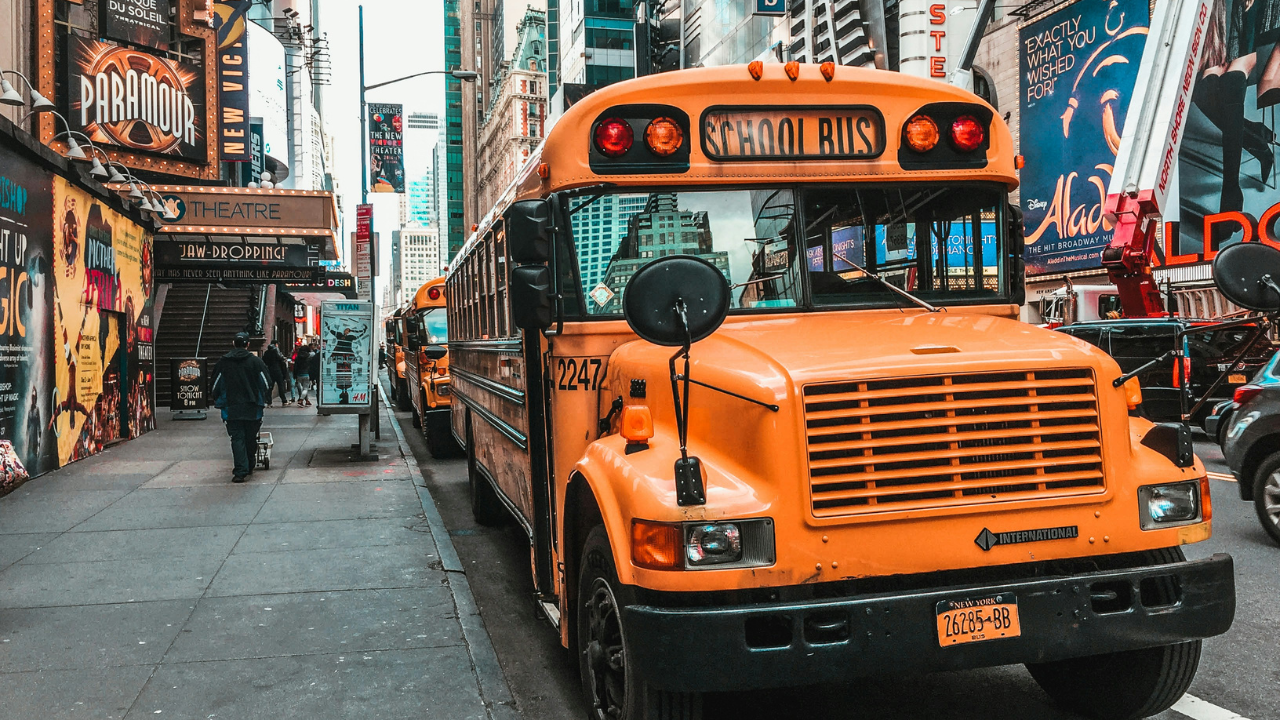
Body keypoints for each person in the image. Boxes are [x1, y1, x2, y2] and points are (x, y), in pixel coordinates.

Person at [211, 332, 270, 483]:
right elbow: (267, 383)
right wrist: (263, 397)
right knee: (251, 437)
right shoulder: (256, 362)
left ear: (233, 343)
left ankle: (240, 471)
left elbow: (215, 385)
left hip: (231, 407)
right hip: (253, 406)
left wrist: (218, 399)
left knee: (237, 438)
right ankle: (249, 464)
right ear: (248, 344)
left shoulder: (223, 362)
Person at [262, 342, 292, 407]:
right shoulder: (276, 351)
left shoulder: (266, 353)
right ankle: (284, 401)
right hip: (278, 371)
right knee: (281, 386)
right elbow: (281, 359)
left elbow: (264, 361)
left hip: (270, 371)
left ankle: (269, 402)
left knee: (270, 387)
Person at [292, 342, 314, 407]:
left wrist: (295, 375)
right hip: (306, 374)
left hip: (299, 374)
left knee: (302, 388)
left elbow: (295, 367)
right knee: (305, 388)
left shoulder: (298, 357)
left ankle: (307, 401)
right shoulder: (309, 357)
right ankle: (301, 400)